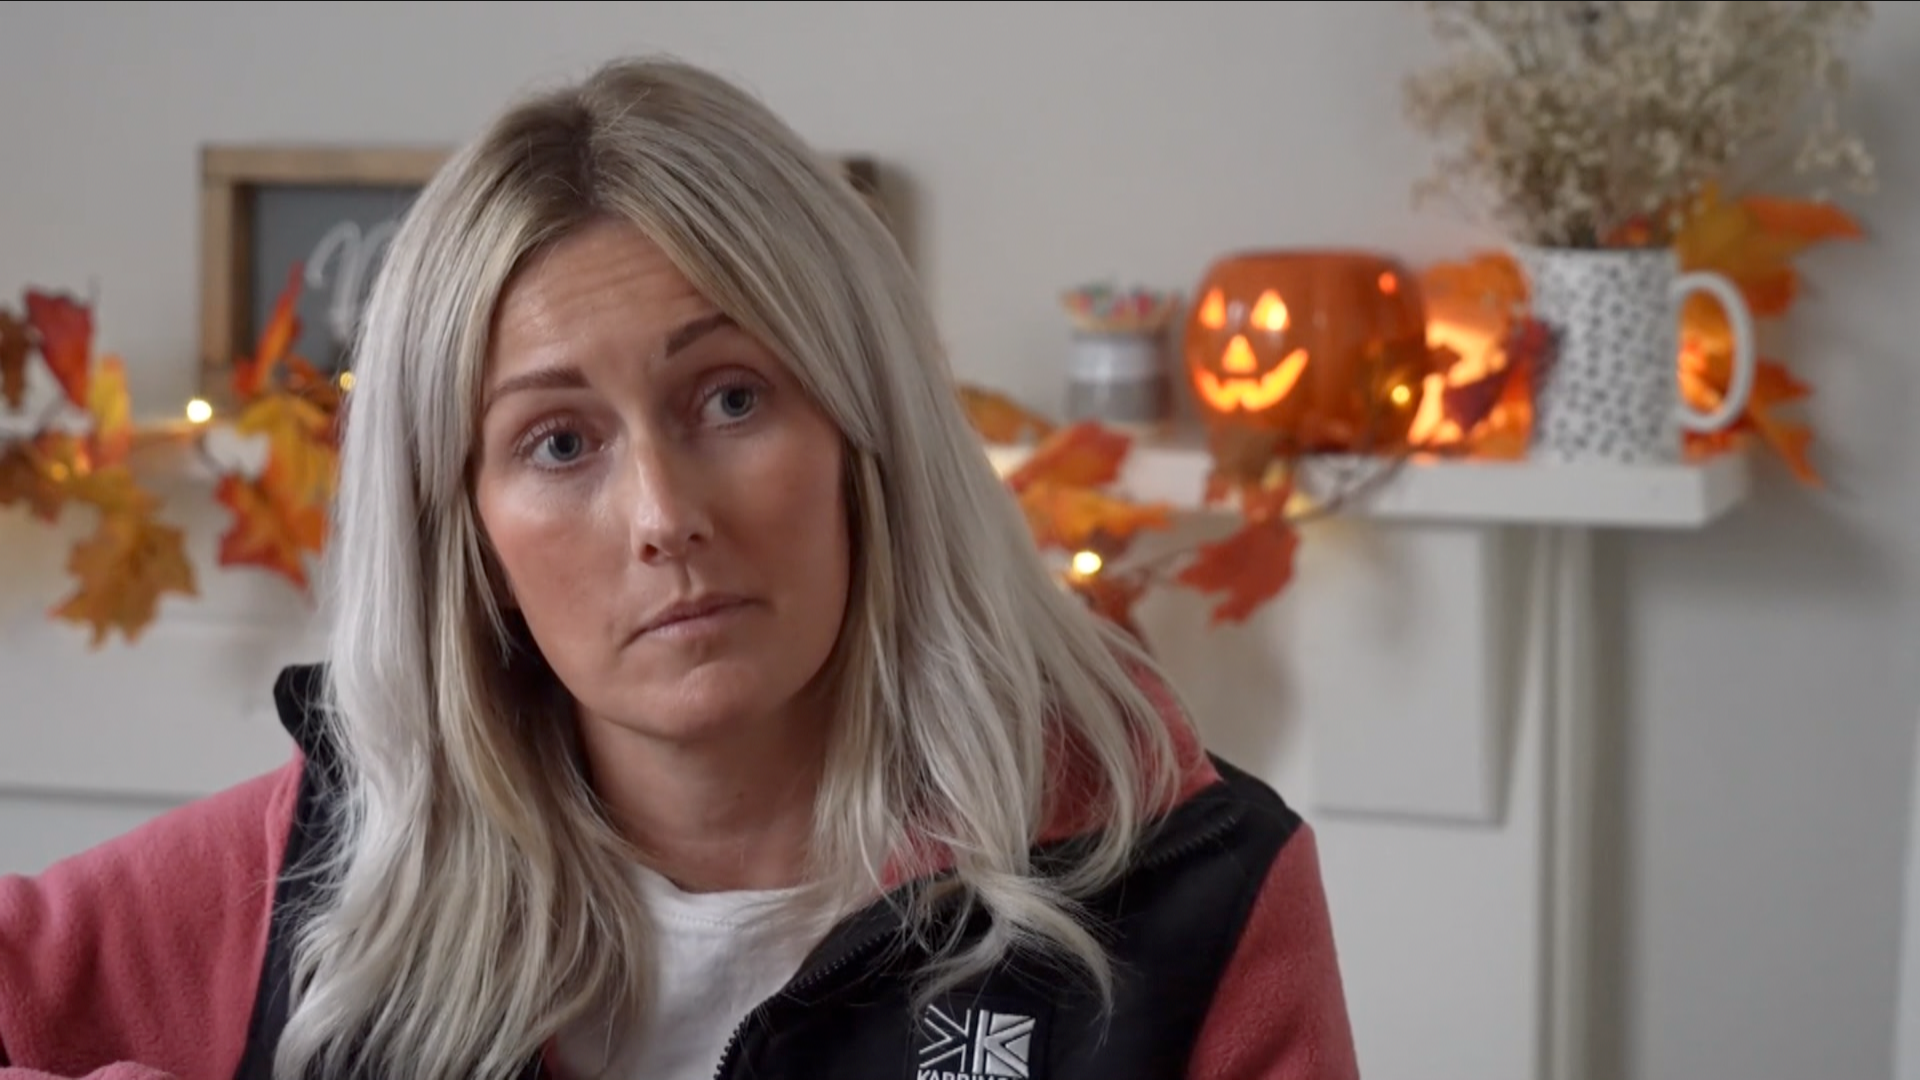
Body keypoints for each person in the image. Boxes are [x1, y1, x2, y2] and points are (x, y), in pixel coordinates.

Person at [0, 57, 1358, 1080]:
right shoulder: (322, 866)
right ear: (464, 528)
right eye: (556, 441)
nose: (662, 513)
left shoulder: (1194, 892)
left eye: (729, 400)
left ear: (859, 428)